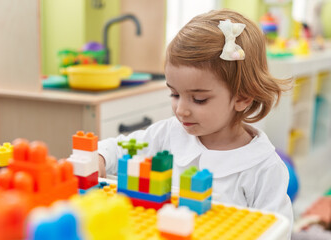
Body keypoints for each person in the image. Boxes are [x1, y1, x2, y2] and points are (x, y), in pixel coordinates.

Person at [97, 8, 293, 234]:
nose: (181, 110)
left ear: (242, 97)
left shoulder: (264, 168)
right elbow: (119, 149)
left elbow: (278, 231)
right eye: (174, 94)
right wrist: (100, 158)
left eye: (199, 99)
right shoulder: (169, 134)